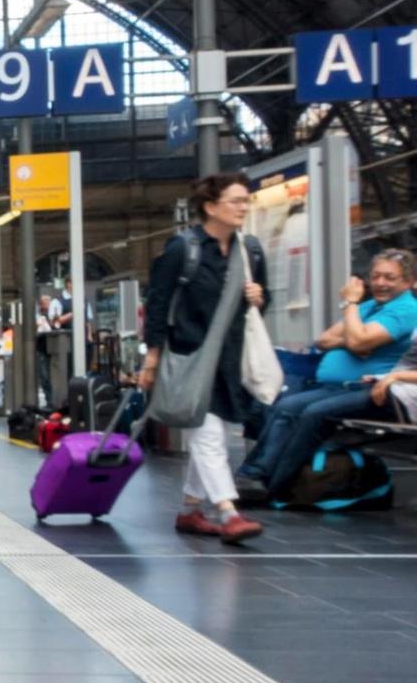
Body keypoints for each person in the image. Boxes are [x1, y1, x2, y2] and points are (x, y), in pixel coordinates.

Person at [141, 173, 270, 544]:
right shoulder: (184, 250)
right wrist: (151, 358)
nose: (243, 208)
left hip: (231, 359)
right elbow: (158, 304)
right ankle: (228, 512)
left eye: (247, 200)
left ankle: (189, 511)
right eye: (235, 201)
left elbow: (260, 307)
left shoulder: (252, 252)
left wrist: (259, 297)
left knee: (212, 433)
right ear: (211, 207)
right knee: (209, 433)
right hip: (190, 357)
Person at [235, 248, 417, 499]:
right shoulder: (369, 307)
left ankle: (274, 486)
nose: (380, 283)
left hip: (368, 388)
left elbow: (359, 341)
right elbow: (324, 340)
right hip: (337, 386)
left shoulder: (405, 309)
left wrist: (351, 306)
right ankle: (252, 475)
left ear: (408, 282)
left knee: (312, 414)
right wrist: (352, 338)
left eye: (389, 277)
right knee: (287, 406)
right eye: (375, 276)